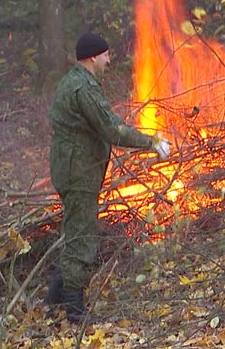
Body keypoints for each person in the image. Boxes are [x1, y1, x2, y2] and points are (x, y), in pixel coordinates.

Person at [46, 33, 171, 323]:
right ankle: (75, 310)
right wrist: (150, 142)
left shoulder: (72, 81)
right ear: (92, 57)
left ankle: (53, 297)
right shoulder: (84, 87)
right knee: (82, 234)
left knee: (73, 228)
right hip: (79, 171)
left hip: (71, 166)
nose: (109, 59)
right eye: (105, 54)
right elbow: (111, 128)